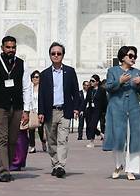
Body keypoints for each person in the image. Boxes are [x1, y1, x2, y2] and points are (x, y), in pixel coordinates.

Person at [0, 36, 32, 182]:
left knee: (12, 139)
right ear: (2, 48)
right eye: (8, 47)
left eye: (13, 47)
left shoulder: (22, 64)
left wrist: (27, 110)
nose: (11, 50)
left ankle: (7, 165)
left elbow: (27, 87)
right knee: (2, 139)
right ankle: (4, 170)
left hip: (16, 107)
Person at [103, 46, 140, 181]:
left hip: (133, 109)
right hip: (117, 108)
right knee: (118, 138)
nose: (133, 59)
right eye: (130, 56)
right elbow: (108, 87)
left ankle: (131, 170)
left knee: (133, 139)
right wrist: (120, 81)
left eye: (135, 56)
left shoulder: (137, 72)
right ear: (123, 57)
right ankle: (118, 165)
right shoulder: (112, 71)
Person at [37, 42, 80, 178]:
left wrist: (76, 108)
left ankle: (61, 165)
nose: (56, 55)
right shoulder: (44, 74)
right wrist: (41, 112)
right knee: (51, 140)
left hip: (64, 111)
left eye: (58, 53)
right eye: (53, 53)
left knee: (63, 139)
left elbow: (75, 92)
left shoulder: (70, 72)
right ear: (50, 55)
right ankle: (55, 164)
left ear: (63, 55)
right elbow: (41, 95)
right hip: (50, 111)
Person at [83, 74, 105, 148]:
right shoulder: (90, 90)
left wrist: (105, 111)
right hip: (90, 109)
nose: (91, 82)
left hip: (97, 110)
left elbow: (105, 101)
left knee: (93, 125)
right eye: (90, 81)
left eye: (93, 81)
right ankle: (101, 134)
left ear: (97, 82)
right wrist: (81, 109)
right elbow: (86, 100)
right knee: (89, 125)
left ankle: (91, 141)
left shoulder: (101, 90)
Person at [28, 70, 46, 153]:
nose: (35, 79)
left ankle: (43, 141)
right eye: (33, 77)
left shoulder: (42, 88)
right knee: (31, 128)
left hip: (40, 111)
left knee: (40, 129)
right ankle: (32, 146)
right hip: (32, 110)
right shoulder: (29, 88)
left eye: (37, 77)